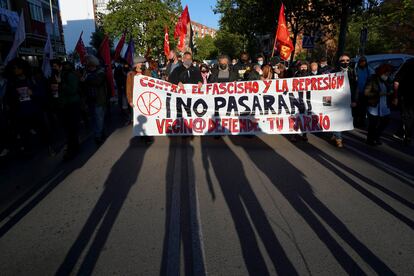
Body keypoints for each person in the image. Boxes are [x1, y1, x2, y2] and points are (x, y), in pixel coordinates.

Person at [5, 58, 35, 153]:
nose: (16, 70)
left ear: (23, 68)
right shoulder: (12, 82)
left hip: (31, 110)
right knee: (23, 132)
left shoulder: (30, 80)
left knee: (33, 130)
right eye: (14, 68)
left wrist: (33, 93)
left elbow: (40, 92)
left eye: (18, 68)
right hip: (19, 111)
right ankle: (27, 149)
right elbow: (8, 96)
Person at [331, 54, 358, 148]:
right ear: (339, 62)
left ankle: (335, 135)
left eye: (347, 60)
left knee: (343, 118)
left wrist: (354, 100)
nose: (345, 62)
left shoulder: (352, 72)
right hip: (336, 100)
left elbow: (355, 87)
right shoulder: (333, 72)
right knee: (337, 118)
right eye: (343, 60)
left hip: (348, 100)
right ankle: (339, 139)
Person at [364, 64, 394, 146]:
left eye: (388, 74)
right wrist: (378, 94)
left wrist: (390, 92)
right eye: (386, 73)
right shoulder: (372, 79)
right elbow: (366, 93)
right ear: (381, 72)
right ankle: (370, 140)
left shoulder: (387, 80)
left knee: (386, 121)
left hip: (384, 105)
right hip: (374, 106)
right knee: (373, 124)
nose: (387, 75)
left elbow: (390, 88)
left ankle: (376, 136)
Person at [81, 55, 108, 145]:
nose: (88, 66)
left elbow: (97, 82)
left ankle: (98, 136)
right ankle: (101, 133)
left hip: (99, 99)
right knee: (95, 118)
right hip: (90, 99)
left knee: (99, 118)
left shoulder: (100, 72)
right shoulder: (87, 73)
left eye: (89, 65)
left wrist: (86, 79)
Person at [58, 61, 82, 160]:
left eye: (57, 66)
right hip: (65, 105)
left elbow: (72, 90)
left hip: (72, 104)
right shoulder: (62, 75)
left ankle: (72, 148)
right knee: (68, 128)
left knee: (71, 127)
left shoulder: (70, 76)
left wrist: (61, 84)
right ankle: (73, 146)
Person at [393, 58, 414, 145]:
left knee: (408, 115)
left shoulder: (409, 63)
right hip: (407, 95)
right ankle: (401, 132)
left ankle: (407, 136)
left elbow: (396, 82)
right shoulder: (409, 63)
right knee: (407, 115)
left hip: (407, 95)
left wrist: (396, 96)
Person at [354, 56, 371, 127]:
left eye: (364, 61)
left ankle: (362, 122)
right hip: (357, 91)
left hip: (365, 92)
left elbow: (370, 80)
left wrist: (368, 89)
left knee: (364, 108)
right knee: (357, 108)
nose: (363, 63)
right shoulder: (356, 69)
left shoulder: (368, 69)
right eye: (361, 62)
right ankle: (355, 122)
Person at [114, 58, 131, 124]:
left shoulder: (128, 68)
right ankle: (128, 117)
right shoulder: (118, 69)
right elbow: (116, 77)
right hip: (123, 89)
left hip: (128, 89)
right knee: (124, 106)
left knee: (129, 105)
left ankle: (130, 118)